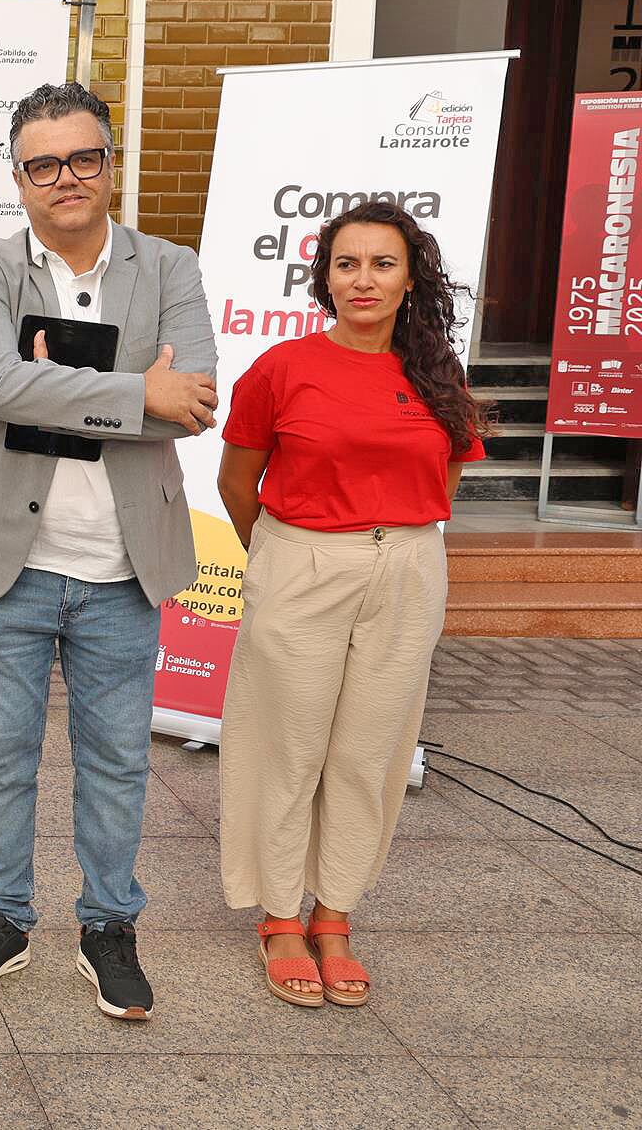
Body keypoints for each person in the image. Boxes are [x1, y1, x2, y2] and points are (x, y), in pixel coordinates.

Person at [0, 81, 217, 1023]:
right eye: (43, 163)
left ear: (110, 162)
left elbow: (197, 398)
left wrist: (59, 381)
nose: (66, 178)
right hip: (5, 558)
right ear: (19, 176)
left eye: (83, 157)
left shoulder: (170, 268)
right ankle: (2, 918)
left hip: (123, 564)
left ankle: (109, 927)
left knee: (118, 760)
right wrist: (136, 393)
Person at [216, 200, 487, 1009]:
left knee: (370, 753)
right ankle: (278, 918)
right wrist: (281, 556)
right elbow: (238, 482)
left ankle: (333, 915)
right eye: (347, 264)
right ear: (324, 277)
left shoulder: (438, 374)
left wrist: (393, 543)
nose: (363, 279)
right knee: (287, 746)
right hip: (302, 560)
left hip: (406, 566)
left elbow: (446, 480)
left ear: (411, 280)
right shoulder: (281, 368)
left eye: (382, 264)